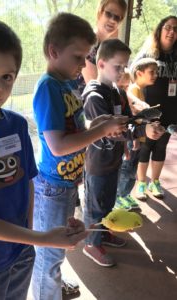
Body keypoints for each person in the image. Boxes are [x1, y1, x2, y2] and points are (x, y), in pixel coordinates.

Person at [0, 16, 89, 300]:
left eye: (6, 76)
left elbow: (26, 185)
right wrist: (41, 238)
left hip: (20, 252)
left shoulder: (17, 124)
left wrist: (30, 238)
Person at [31, 13, 128, 300]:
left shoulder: (68, 85)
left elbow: (75, 129)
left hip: (67, 183)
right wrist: (101, 131)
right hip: (52, 186)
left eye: (86, 57)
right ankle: (46, 293)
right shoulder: (49, 87)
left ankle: (54, 285)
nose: (82, 65)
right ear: (53, 52)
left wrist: (99, 125)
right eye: (78, 57)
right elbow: (59, 146)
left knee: (62, 245)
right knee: (49, 253)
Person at [82, 39, 164, 267]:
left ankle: (104, 233)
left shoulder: (118, 91)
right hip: (97, 163)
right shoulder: (94, 96)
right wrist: (140, 132)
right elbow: (112, 130)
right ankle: (91, 243)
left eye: (125, 66)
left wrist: (143, 127)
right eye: (117, 66)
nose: (122, 71)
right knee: (94, 206)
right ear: (100, 64)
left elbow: (128, 120)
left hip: (114, 160)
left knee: (108, 201)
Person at [132, 15, 177, 200]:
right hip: (149, 108)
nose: (172, 32)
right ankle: (142, 183)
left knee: (161, 146)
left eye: (175, 29)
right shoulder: (148, 52)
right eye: (168, 27)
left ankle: (155, 182)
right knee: (146, 146)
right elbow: (133, 71)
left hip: (171, 108)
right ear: (160, 30)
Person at [116, 58, 159, 209]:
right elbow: (132, 117)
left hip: (137, 136)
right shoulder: (132, 91)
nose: (125, 88)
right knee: (126, 169)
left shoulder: (137, 91)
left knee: (132, 170)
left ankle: (125, 194)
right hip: (131, 136)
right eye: (123, 86)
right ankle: (119, 197)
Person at [77, 0, 127, 93]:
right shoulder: (88, 42)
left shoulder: (107, 46)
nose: (113, 20)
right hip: (79, 103)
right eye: (108, 14)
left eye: (117, 18)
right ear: (100, 12)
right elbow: (94, 84)